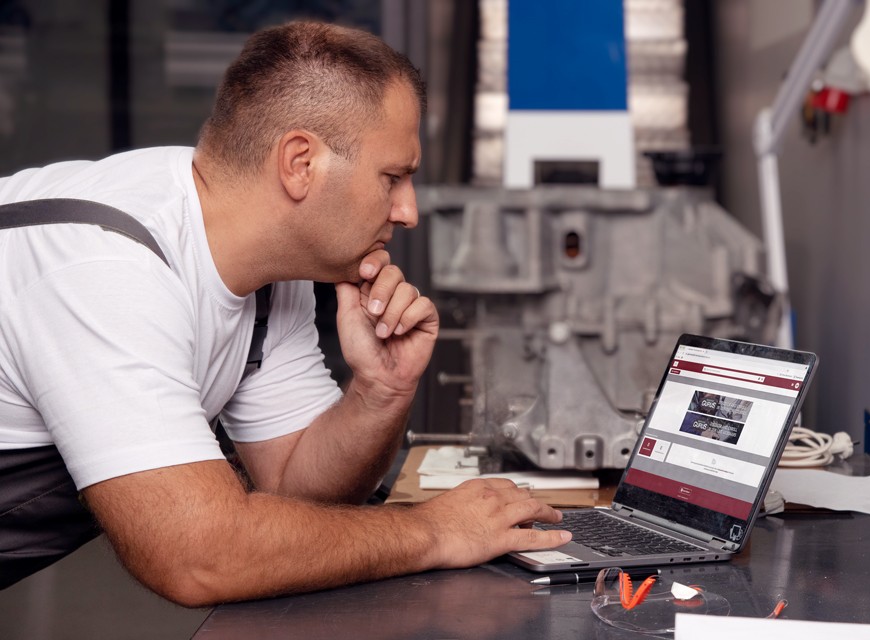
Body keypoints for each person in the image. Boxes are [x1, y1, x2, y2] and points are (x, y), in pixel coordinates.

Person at [0, 20, 570, 606]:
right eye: (393, 178)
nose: (408, 211)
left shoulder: (265, 266)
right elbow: (199, 557)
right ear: (300, 163)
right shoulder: (104, 262)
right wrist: (434, 532)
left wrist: (380, 391)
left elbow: (300, 494)